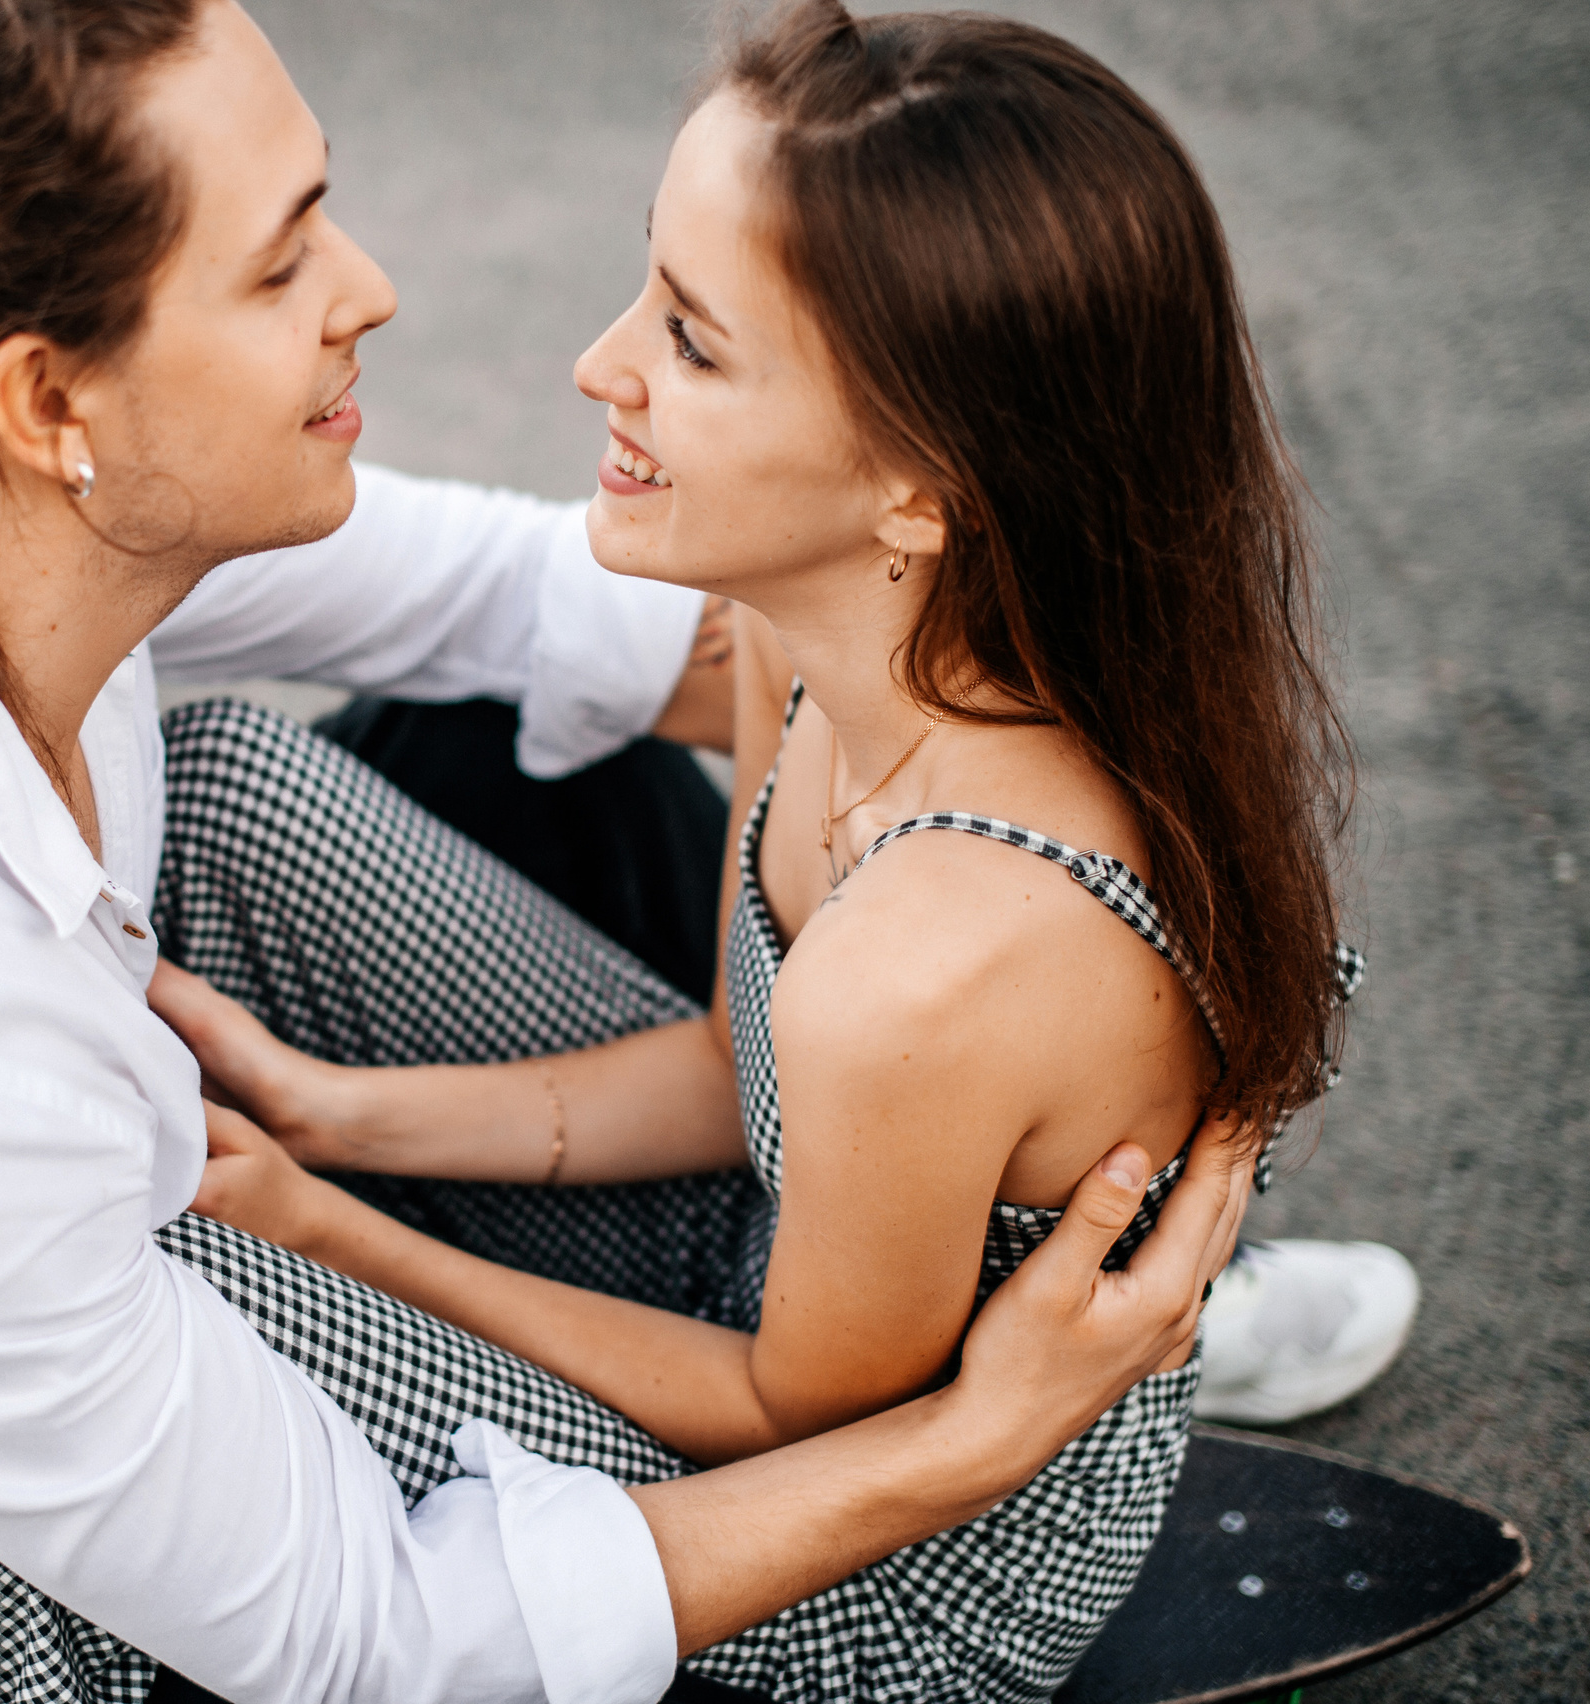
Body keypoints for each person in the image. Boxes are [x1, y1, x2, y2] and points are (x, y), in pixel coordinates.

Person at [139, 3, 1390, 1697]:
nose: (602, 364)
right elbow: (744, 1075)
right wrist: (336, 1111)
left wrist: (330, 1228)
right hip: (778, 1259)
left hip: (877, 1556)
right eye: (647, 283)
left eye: (694, 342)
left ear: (920, 490)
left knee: (151, 1277)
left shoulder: (928, 964)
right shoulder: (809, 639)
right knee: (220, 784)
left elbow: (794, 1419)